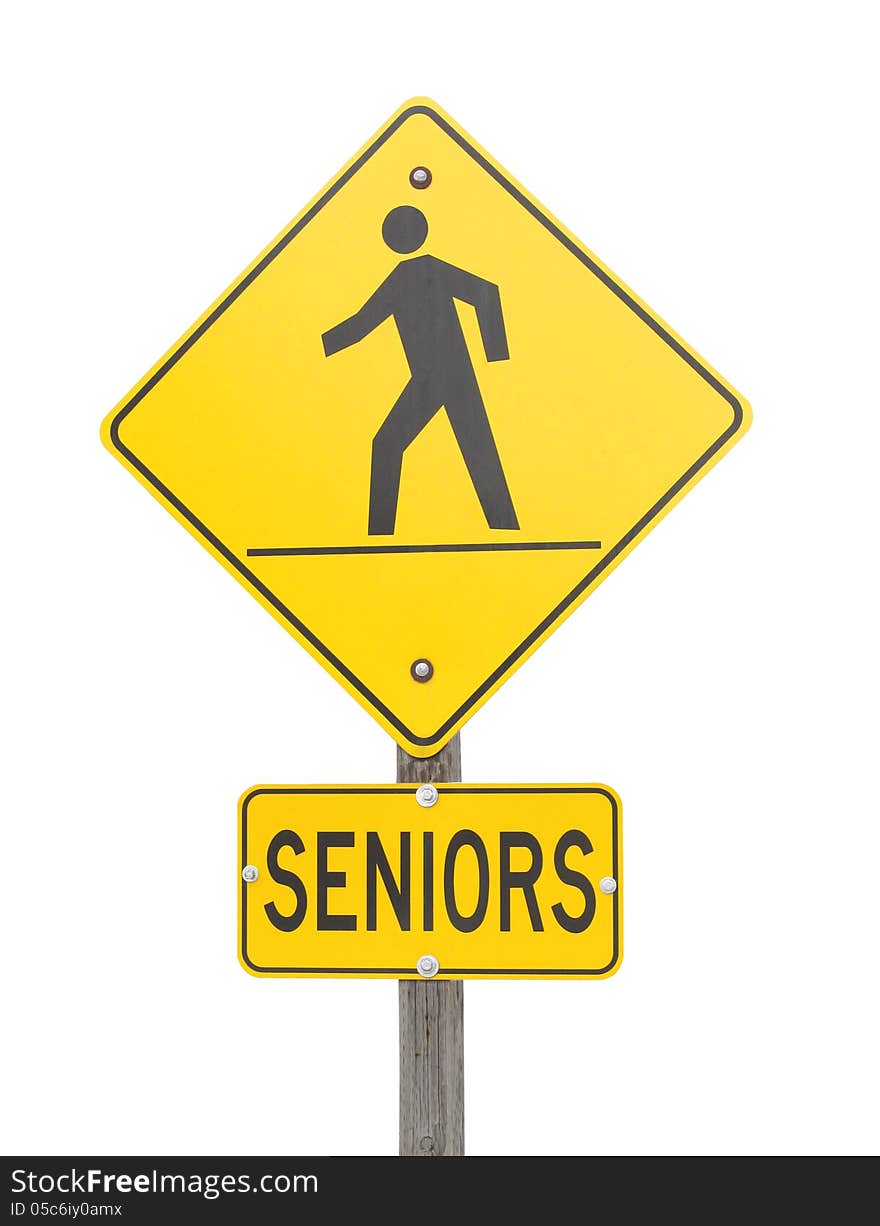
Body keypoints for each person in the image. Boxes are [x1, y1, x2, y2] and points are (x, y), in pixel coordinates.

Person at [322, 205, 519, 536]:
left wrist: (497, 356)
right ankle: (506, 530)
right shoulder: (409, 275)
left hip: (445, 376)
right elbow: (360, 326)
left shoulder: (421, 271)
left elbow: (486, 294)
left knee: (397, 445)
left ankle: (379, 536)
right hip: (437, 378)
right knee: (473, 450)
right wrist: (316, 345)